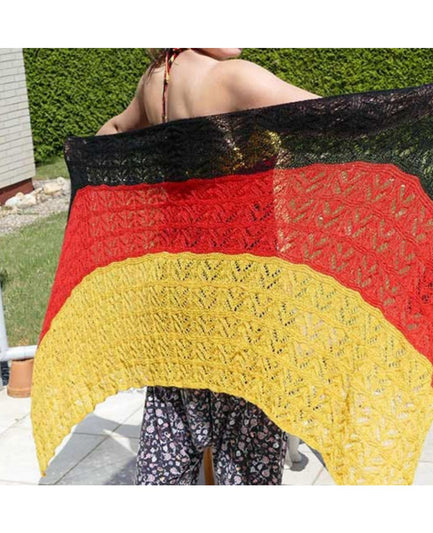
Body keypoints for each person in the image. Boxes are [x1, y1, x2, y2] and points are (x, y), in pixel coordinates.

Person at [96, 48, 321, 485]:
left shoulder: (155, 81)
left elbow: (114, 131)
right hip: (239, 292)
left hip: (175, 283)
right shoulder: (232, 78)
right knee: (246, 441)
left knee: (174, 426)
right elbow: (341, 113)